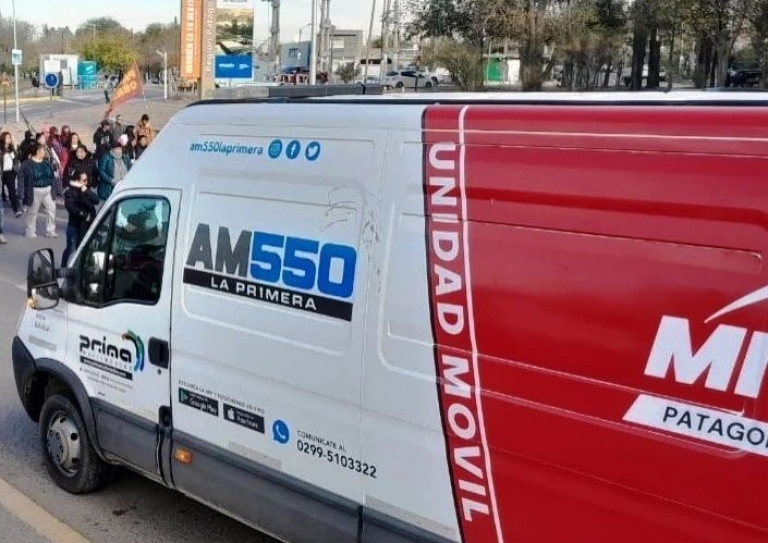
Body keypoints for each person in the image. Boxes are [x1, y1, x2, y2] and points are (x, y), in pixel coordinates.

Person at [18, 143, 57, 238]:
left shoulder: (46, 163)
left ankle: (50, 231)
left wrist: (56, 190)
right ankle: (30, 231)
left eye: (43, 150)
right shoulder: (26, 164)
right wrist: (21, 194)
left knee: (51, 209)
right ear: (36, 151)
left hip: (47, 190)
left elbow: (53, 176)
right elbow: (21, 179)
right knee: (32, 212)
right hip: (34, 190)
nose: (43, 152)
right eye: (41, 150)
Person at [62, 171, 99, 265]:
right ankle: (64, 267)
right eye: (83, 180)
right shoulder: (70, 192)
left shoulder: (86, 190)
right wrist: (85, 215)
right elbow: (71, 207)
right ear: (76, 181)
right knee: (71, 249)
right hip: (75, 225)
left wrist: (86, 191)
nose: (86, 183)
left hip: (87, 226)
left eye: (86, 180)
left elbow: (96, 200)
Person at [1, 132, 21, 218]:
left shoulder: (11, 148)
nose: (9, 139)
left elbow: (17, 157)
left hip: (10, 173)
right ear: (3, 139)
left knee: (12, 191)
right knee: (2, 192)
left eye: (10, 137)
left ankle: (15, 210)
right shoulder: (1, 149)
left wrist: (15, 144)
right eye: (7, 137)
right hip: (1, 173)